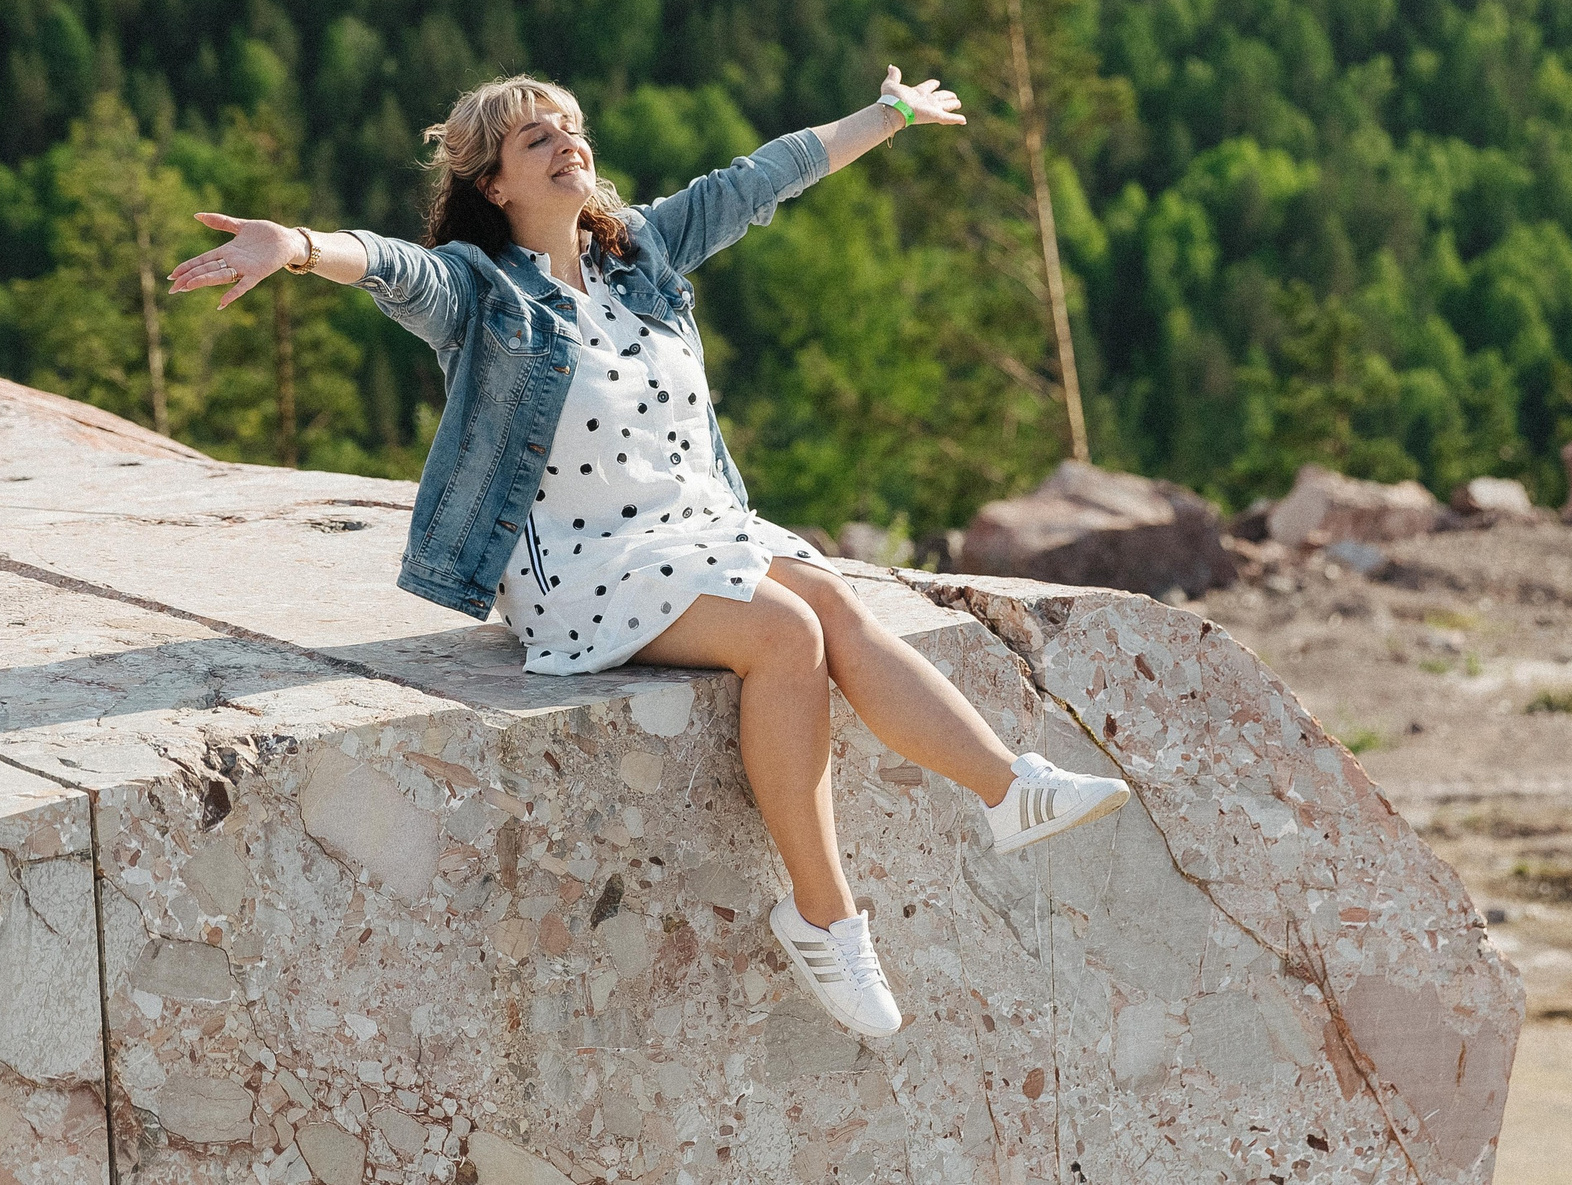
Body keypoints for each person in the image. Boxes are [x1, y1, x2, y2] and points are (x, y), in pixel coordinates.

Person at [165, 69, 1129, 1037]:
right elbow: (388, 266)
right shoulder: (483, 294)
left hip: (700, 530)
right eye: (536, 139)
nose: (566, 144)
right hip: (583, 572)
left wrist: (888, 116)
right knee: (786, 635)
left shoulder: (642, 258)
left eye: (572, 128)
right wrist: (295, 247)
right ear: (493, 184)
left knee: (834, 606)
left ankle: (1010, 791)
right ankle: (823, 917)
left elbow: (761, 179)